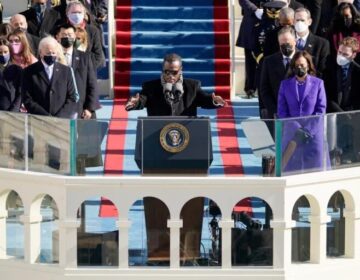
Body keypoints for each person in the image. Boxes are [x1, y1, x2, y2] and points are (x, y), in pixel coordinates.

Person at [125, 53, 226, 116]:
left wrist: (215, 101)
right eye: (166, 72)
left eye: (174, 72)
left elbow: (204, 100)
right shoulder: (150, 87)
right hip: (157, 131)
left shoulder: (192, 86)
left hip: (185, 133)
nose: (170, 76)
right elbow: (142, 100)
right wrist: (134, 103)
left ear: (181, 70)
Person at [277, 51, 327, 173]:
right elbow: (282, 111)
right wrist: (296, 129)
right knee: (291, 170)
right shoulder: (285, 85)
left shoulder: (318, 83)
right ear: (293, 66)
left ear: (308, 65)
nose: (300, 67)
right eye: (297, 65)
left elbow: (321, 110)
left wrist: (307, 131)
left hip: (313, 135)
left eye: (303, 64)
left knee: (314, 170)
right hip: (292, 135)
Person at [324, 37, 360, 163]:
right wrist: (340, 112)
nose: (341, 56)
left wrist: (350, 114)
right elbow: (327, 95)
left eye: (345, 54)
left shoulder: (358, 71)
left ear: (353, 55)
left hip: (353, 117)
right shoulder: (329, 68)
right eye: (340, 52)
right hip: (333, 115)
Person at [22, 36, 77, 118]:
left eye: (53, 53)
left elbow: (72, 97)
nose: (51, 55)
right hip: (38, 120)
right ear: (40, 53)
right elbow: (27, 99)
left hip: (61, 121)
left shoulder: (66, 71)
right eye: (48, 53)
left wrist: (59, 117)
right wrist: (46, 117)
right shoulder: (29, 72)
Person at [54, 23, 98, 119]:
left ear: (74, 37)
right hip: (58, 110)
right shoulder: (52, 57)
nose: (67, 37)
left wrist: (89, 108)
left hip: (81, 110)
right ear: (57, 37)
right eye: (64, 35)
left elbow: (92, 84)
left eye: (70, 35)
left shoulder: (85, 57)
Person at [260, 26, 296, 119]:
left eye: (287, 42)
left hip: (299, 114)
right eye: (282, 43)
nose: (285, 45)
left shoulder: (303, 59)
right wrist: (275, 111)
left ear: (295, 41)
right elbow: (264, 89)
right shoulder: (269, 61)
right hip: (276, 112)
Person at [60, 1, 105, 70]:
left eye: (79, 12)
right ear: (67, 13)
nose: (76, 15)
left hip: (87, 72)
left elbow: (98, 56)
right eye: (73, 12)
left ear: (84, 14)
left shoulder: (93, 31)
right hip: (66, 72)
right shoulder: (60, 30)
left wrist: (85, 69)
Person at [294, 7, 330, 77]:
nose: (299, 23)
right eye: (297, 20)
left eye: (302, 20)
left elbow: (323, 70)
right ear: (293, 22)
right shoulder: (287, 41)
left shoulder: (322, 44)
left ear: (309, 22)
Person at [0, 38, 22, 112]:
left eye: (5, 52)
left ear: (10, 52)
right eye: (0, 52)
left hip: (11, 112)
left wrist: (13, 111)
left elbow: (20, 93)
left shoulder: (17, 70)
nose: (3, 55)